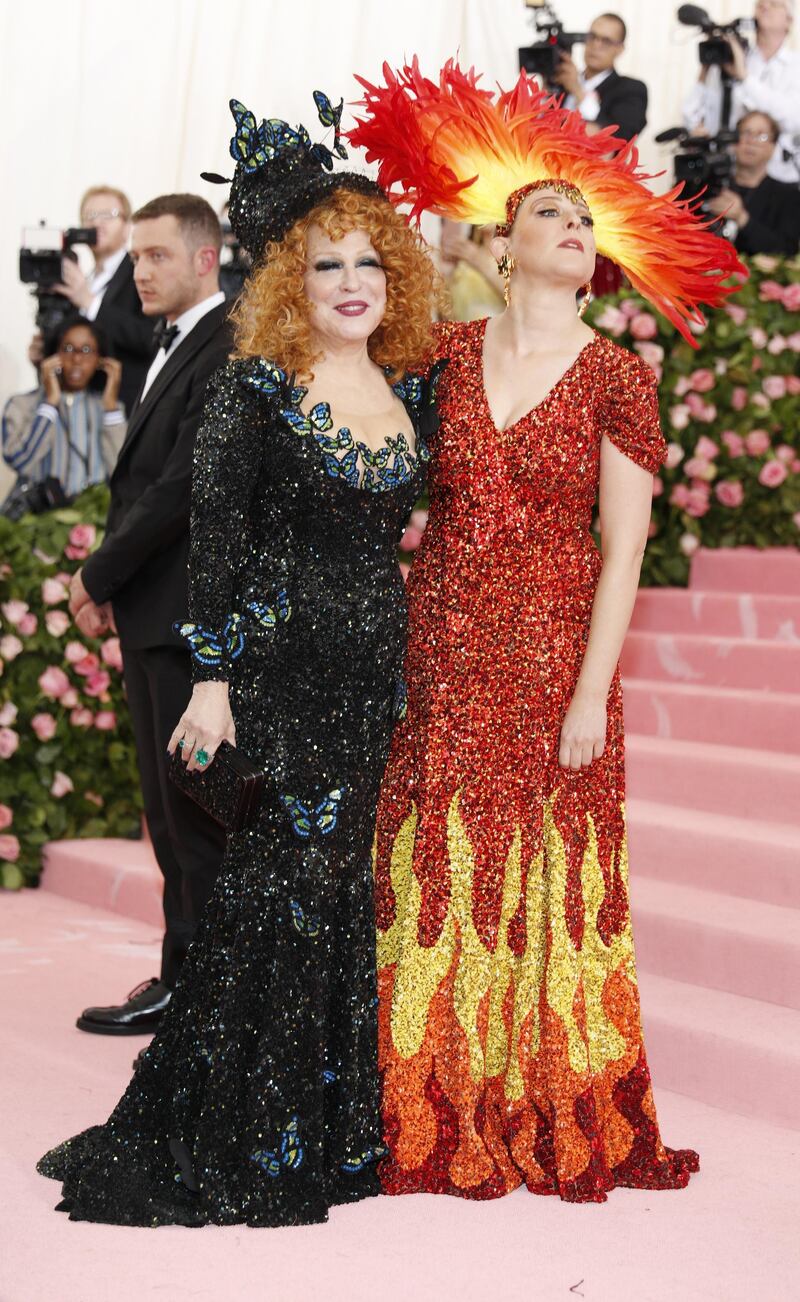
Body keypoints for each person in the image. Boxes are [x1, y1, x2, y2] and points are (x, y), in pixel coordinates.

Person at [38, 91, 441, 1227]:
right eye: (325, 267)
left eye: (369, 261)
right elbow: (215, 542)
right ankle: (238, 1124)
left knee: (334, 892)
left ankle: (319, 1123)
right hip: (275, 673)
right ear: (287, 282)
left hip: (370, 677)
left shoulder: (408, 391)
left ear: (395, 275)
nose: (351, 281)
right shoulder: (257, 392)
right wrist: (211, 683)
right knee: (277, 887)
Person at [350, 58, 744, 1203]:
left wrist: (587, 693)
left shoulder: (621, 375)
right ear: (501, 239)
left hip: (552, 660)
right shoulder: (441, 358)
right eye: (546, 212)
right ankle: (423, 1106)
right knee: (431, 873)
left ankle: (536, 1109)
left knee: (541, 883)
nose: (570, 226)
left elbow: (623, 549)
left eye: (582, 217)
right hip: (441, 649)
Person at [66, 194, 232, 1034]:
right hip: (153, 608)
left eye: (156, 256)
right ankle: (186, 979)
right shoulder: (174, 344)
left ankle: (197, 995)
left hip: (189, 616)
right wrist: (115, 586)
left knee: (194, 815)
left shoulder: (228, 339)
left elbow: (180, 492)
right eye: (134, 259)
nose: (140, 273)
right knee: (168, 814)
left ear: (206, 258)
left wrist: (98, 574)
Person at [42, 185, 156, 414]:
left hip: (120, 406)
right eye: (90, 216)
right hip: (77, 407)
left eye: (109, 215)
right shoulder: (84, 279)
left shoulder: (140, 273)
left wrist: (90, 303)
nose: (98, 223)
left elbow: (148, 338)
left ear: (127, 227)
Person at [2, 316, 124, 510]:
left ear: (100, 360)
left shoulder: (109, 408)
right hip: (36, 524)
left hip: (92, 528)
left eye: (86, 350)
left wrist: (110, 406)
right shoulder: (22, 405)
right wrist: (50, 404)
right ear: (53, 356)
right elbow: (20, 460)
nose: (76, 359)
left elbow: (122, 473)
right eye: (67, 349)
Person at [682, 0, 800, 184]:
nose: (765, 7)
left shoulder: (795, 66)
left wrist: (745, 78)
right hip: (727, 175)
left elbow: (793, 120)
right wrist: (705, 71)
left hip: (779, 180)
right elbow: (693, 119)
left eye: (774, 4)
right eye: (760, 4)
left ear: (789, 20)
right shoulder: (731, 58)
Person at [706, 110, 800, 255]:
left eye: (761, 136)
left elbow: (787, 251)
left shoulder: (789, 196)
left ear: (772, 147)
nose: (751, 141)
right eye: (746, 133)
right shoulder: (713, 187)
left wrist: (742, 218)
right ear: (734, 142)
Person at [555, 12, 647, 141]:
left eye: (606, 41)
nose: (596, 45)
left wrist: (577, 90)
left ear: (620, 49)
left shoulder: (631, 89)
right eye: (592, 37)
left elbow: (619, 139)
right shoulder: (562, 82)